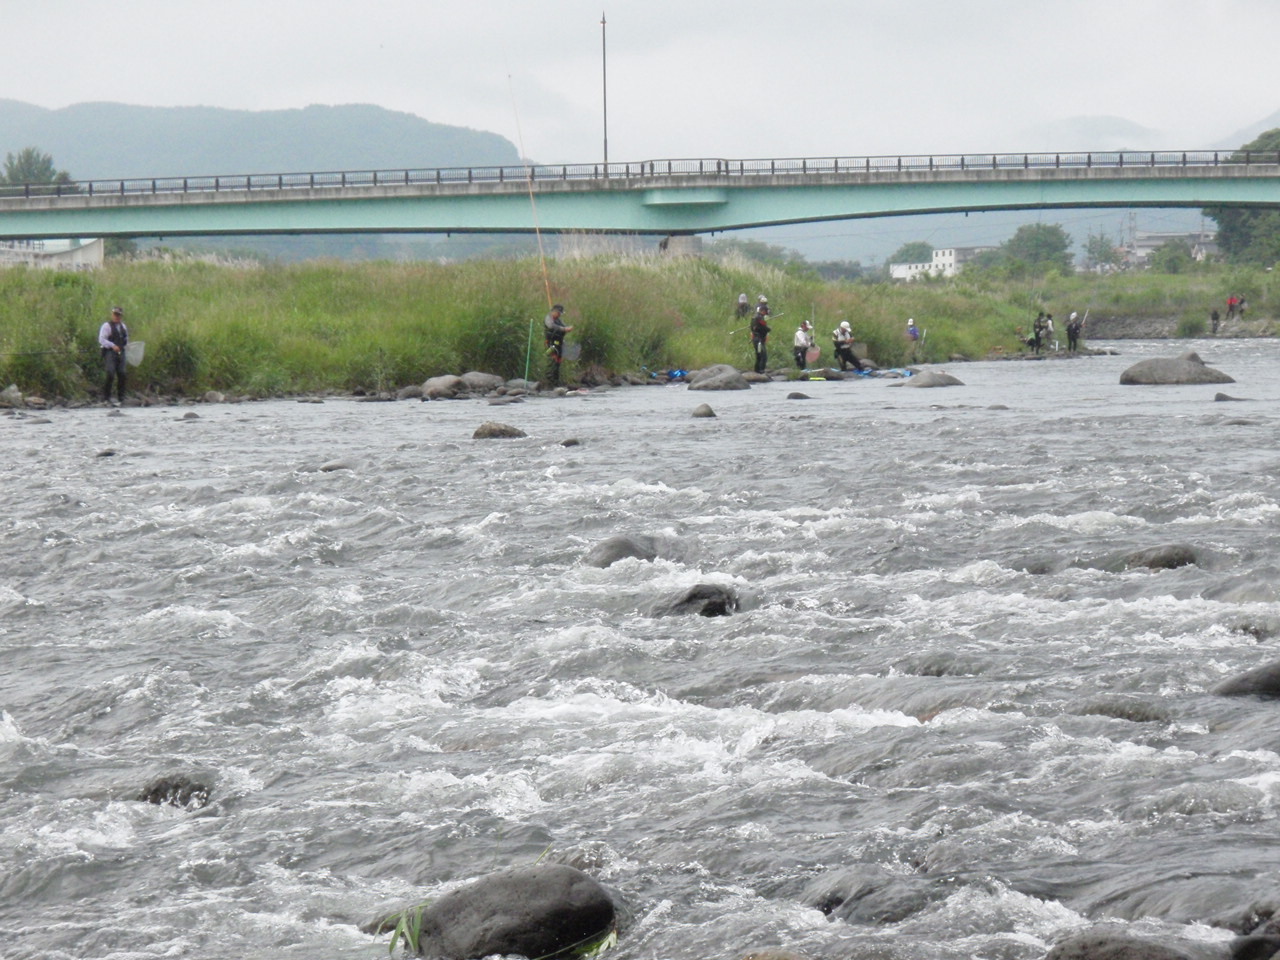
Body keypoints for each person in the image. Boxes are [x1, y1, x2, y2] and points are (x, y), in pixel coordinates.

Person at [98, 305, 130, 405]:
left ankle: (121, 397)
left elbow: (126, 339)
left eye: (119, 315)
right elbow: (102, 339)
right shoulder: (106, 326)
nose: (117, 317)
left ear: (121, 316)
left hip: (121, 352)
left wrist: (125, 346)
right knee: (110, 373)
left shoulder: (123, 327)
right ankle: (106, 397)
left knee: (122, 374)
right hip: (109, 352)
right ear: (112, 315)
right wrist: (112, 346)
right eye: (115, 314)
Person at [543, 303, 573, 386]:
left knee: (558, 362)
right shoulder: (548, 318)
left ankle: (556, 381)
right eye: (559, 313)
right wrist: (564, 329)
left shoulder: (559, 320)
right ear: (555, 311)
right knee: (552, 360)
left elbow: (564, 326)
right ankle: (549, 381)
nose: (559, 315)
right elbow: (551, 326)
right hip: (550, 343)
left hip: (559, 343)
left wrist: (567, 328)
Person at [750, 297, 771, 374]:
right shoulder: (759, 318)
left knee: (759, 355)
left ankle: (757, 370)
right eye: (765, 311)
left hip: (758, 339)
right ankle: (760, 370)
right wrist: (768, 329)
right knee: (763, 355)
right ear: (762, 311)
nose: (766, 313)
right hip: (758, 339)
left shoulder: (756, 318)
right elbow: (763, 328)